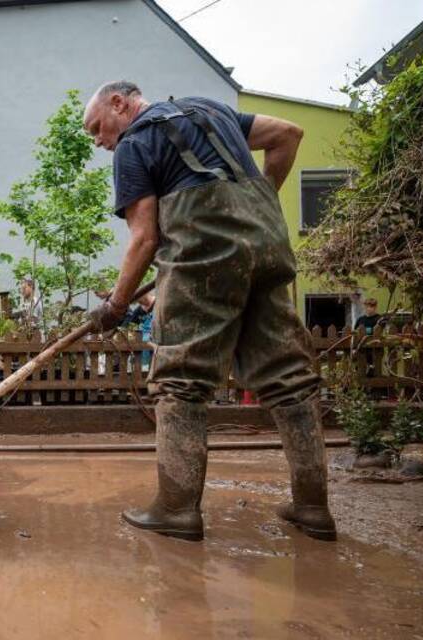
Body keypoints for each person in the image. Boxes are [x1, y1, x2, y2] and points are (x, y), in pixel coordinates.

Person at [84, 81, 335, 541]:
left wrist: (116, 304)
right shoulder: (212, 111)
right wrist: (256, 203)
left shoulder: (136, 143)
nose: (98, 141)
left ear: (120, 103)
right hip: (266, 248)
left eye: (97, 128)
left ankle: (177, 509)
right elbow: (289, 134)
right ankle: (313, 507)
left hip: (204, 261)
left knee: (181, 380)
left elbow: (144, 238)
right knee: (289, 377)